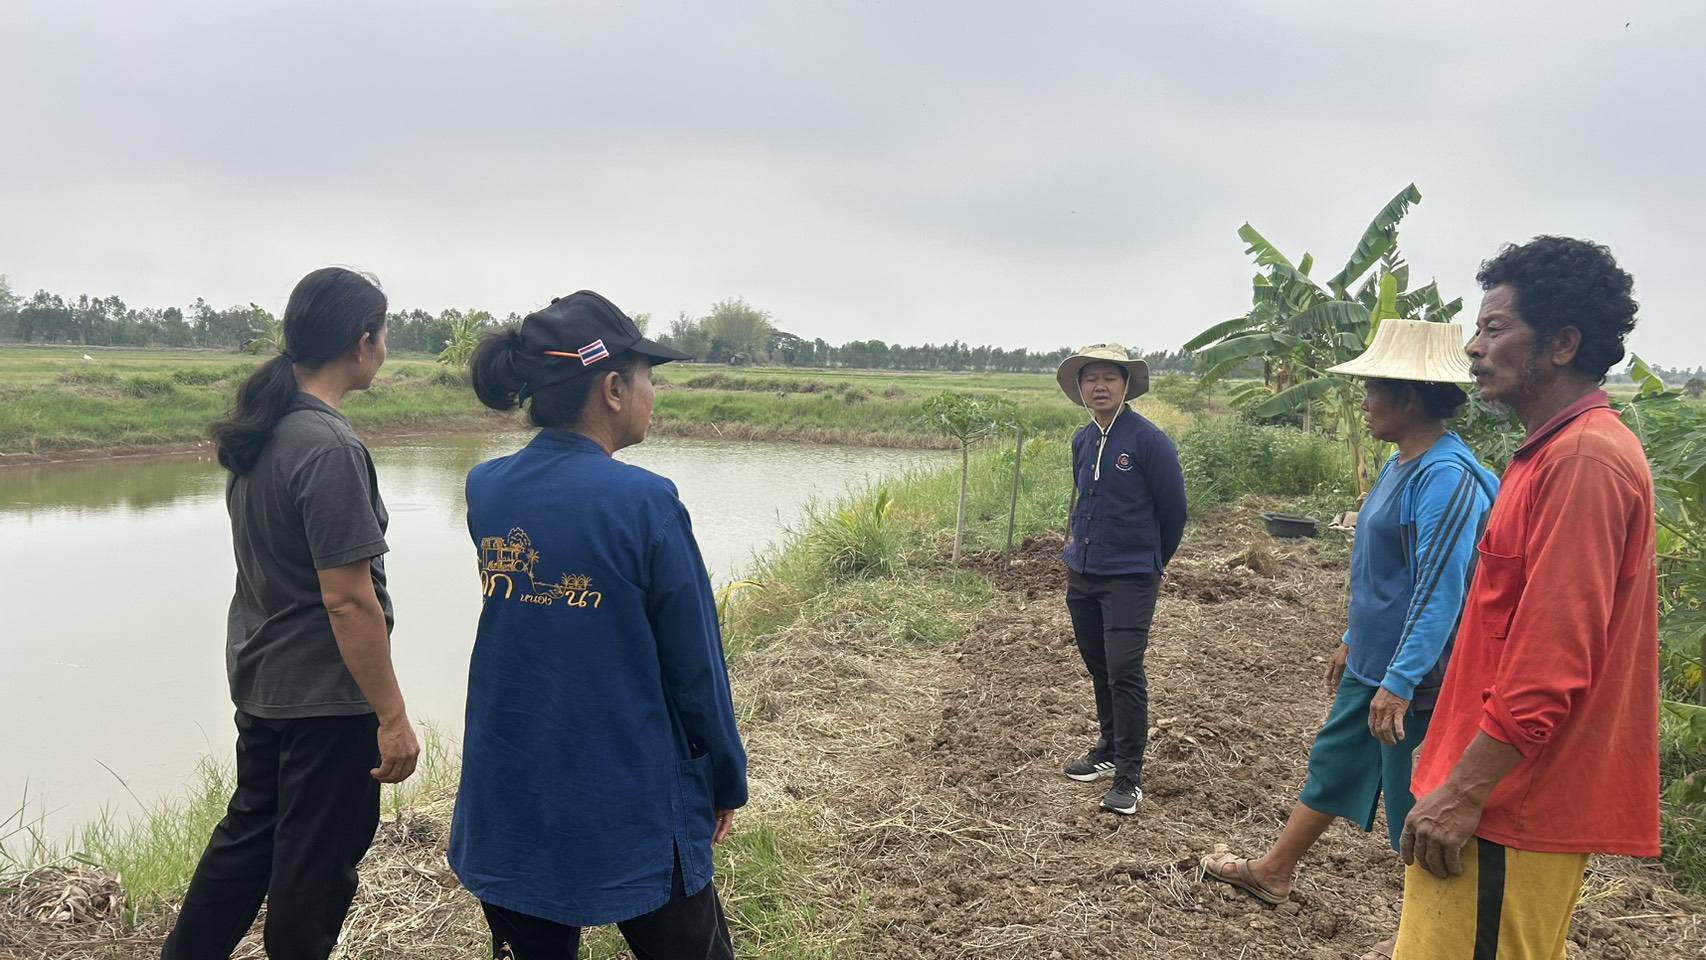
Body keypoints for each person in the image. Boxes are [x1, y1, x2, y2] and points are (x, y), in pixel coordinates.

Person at [449, 290, 748, 960]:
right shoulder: (645, 504)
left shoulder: (488, 489)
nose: (652, 394)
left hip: (512, 791)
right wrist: (724, 777)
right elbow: (696, 667)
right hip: (629, 794)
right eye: (648, 378)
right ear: (613, 387)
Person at [1394, 237, 1658, 959]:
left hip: (1508, 808)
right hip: (1490, 800)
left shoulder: (1583, 462)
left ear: (1563, 342)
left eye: (1495, 328)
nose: (1475, 348)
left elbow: (1551, 659)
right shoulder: (1551, 451)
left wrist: (1465, 791)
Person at [1200, 320, 1497, 960]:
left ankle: (1439, 938)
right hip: (1376, 662)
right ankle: (1274, 871)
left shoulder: (1447, 477)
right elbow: (1382, 576)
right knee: (1334, 765)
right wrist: (1349, 639)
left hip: (1419, 678)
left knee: (1419, 812)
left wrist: (1400, 680)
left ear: (1411, 396)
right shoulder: (1402, 464)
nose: (1362, 403)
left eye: (1371, 390)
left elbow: (1439, 593)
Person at [163, 268, 420, 960]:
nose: (385, 346)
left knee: (247, 845)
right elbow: (348, 598)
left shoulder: (265, 431)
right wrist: (392, 718)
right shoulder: (329, 447)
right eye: (384, 332)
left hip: (266, 680)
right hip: (326, 700)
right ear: (362, 341)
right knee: (314, 871)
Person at [1055, 343, 1186, 815]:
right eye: (1091, 379)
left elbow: (1174, 511)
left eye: (1110, 377)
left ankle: (1129, 775)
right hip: (1084, 570)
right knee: (1098, 663)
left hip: (1131, 574)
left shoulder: (1148, 441)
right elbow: (1083, 498)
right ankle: (1108, 748)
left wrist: (1153, 560)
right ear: (1081, 388)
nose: (1100, 386)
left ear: (1126, 386)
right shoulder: (1082, 439)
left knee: (1125, 668)